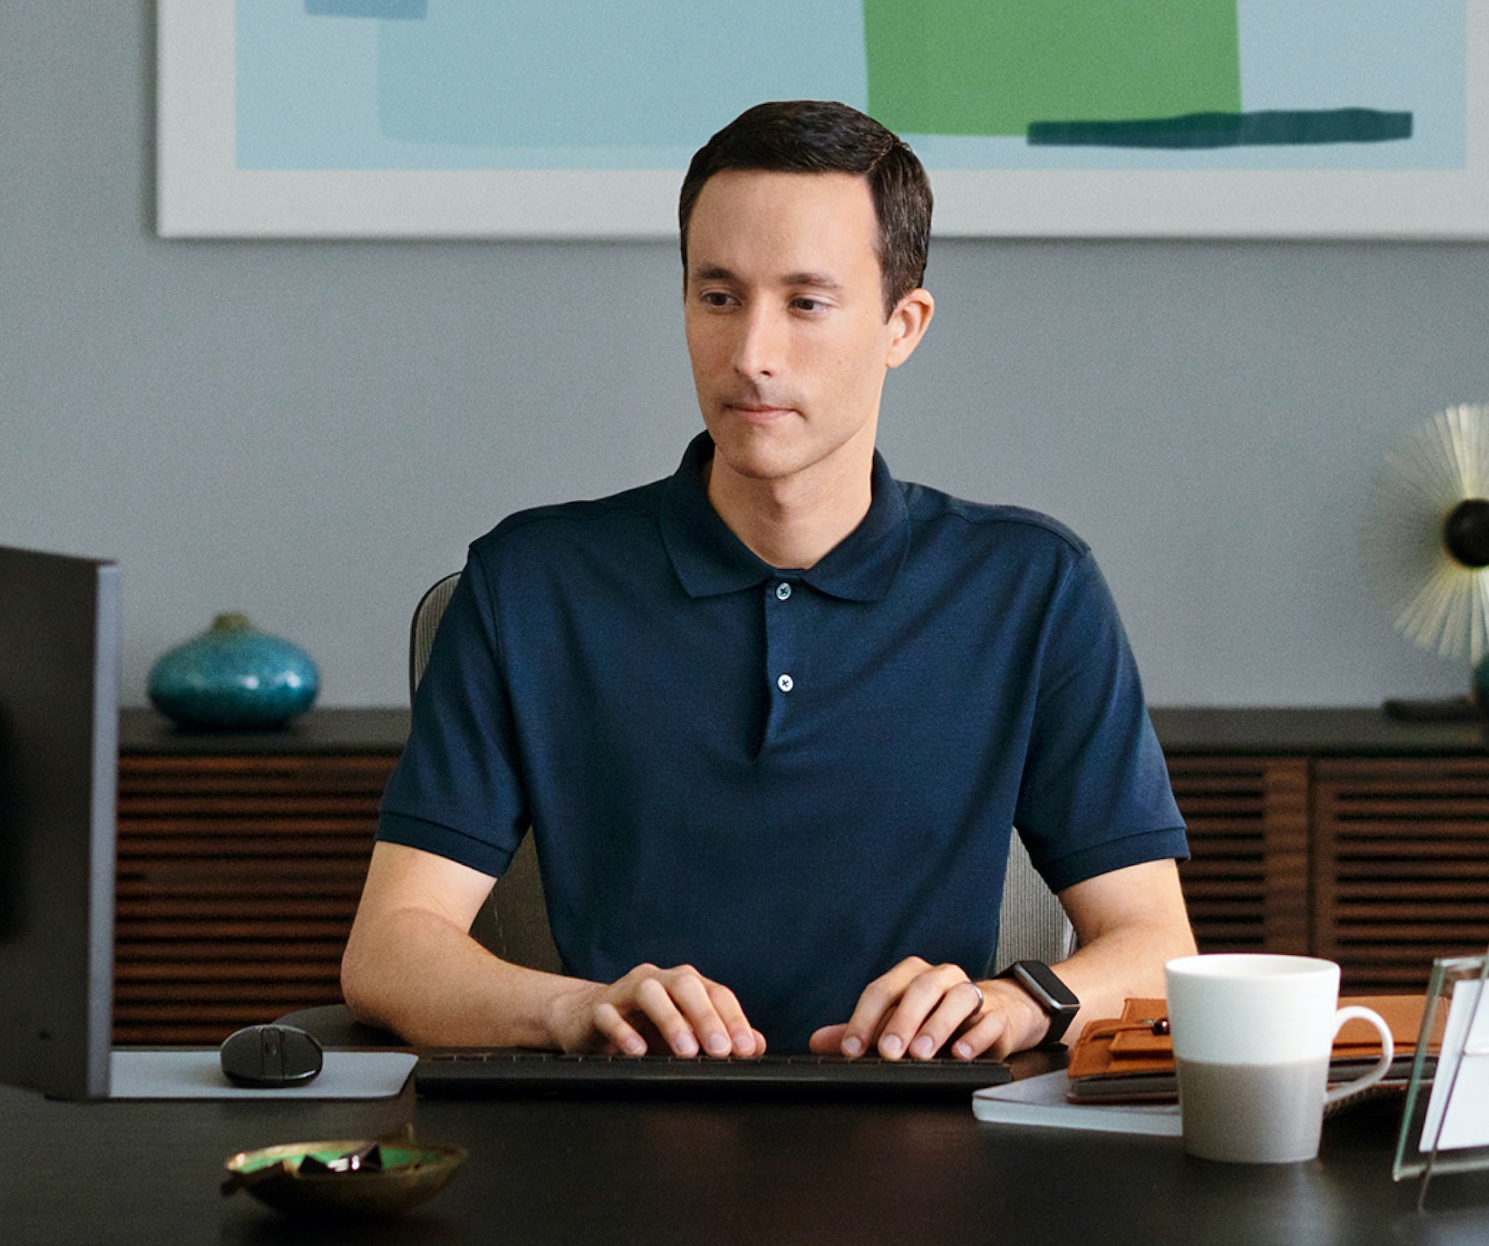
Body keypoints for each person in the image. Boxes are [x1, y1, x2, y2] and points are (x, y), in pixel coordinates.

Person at [339, 101, 1197, 1062]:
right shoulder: (529, 584)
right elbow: (391, 951)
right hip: (619, 1147)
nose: (752, 354)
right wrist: (576, 1009)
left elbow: (1155, 946)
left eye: (805, 302)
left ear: (902, 325)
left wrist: (1020, 1002)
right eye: (718, 296)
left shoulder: (1033, 588)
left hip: (924, 1146)